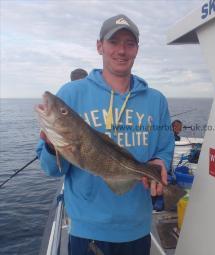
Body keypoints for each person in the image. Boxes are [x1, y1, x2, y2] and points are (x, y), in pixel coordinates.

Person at [36, 14, 174, 255]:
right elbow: (51, 170)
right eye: (113, 42)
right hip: (88, 230)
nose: (121, 50)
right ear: (99, 46)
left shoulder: (156, 100)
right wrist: (51, 147)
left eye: (129, 44)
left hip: (137, 228)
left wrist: (160, 161)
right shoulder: (71, 94)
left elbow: (164, 146)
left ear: (137, 50)